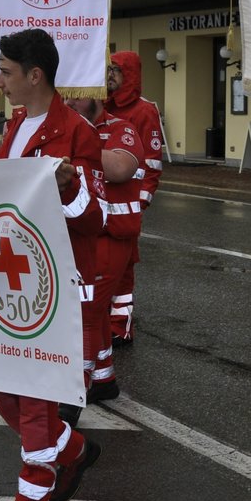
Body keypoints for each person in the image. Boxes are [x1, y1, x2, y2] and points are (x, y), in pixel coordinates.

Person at [0, 28, 104, 501]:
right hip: (9, 279)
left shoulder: (78, 131)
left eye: (7, 73)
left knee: (34, 401)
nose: (0, 83)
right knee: (0, 388)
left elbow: (95, 217)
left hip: (53, 286)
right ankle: (72, 448)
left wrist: (72, 185)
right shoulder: (13, 127)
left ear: (35, 75)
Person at [65, 95, 145, 406]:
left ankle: (75, 391)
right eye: (66, 93)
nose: (70, 100)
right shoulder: (67, 129)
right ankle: (103, 378)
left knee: (85, 311)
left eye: (78, 93)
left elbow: (121, 167)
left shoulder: (120, 129)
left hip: (113, 235)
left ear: (96, 93)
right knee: (94, 311)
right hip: (83, 231)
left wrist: (76, 140)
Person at [102, 52, 165, 351]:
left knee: (125, 267)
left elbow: (152, 164)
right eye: (109, 69)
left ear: (131, 75)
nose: (111, 75)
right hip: (101, 201)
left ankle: (120, 326)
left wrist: (139, 204)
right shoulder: (102, 107)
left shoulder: (144, 111)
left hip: (127, 205)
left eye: (116, 70)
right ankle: (103, 321)